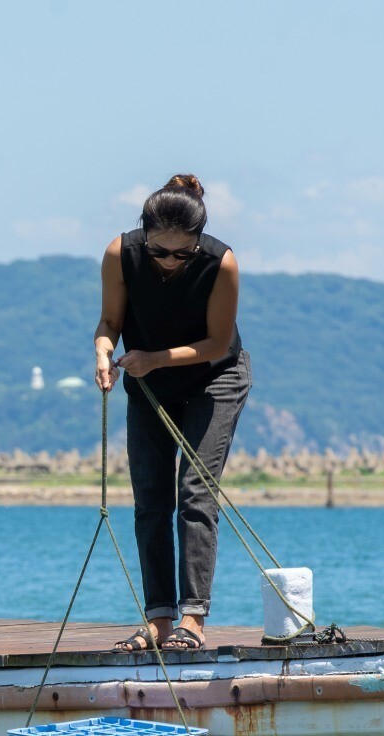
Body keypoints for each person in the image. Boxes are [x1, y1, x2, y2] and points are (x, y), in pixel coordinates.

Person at [93, 174, 250, 652]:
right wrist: (103, 352)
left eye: (183, 254)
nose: (171, 262)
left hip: (214, 378)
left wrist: (154, 358)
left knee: (195, 490)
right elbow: (110, 323)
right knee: (151, 498)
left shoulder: (221, 263)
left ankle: (193, 619)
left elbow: (217, 344)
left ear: (199, 242)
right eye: (161, 251)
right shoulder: (121, 253)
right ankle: (159, 618)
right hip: (147, 381)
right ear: (144, 233)